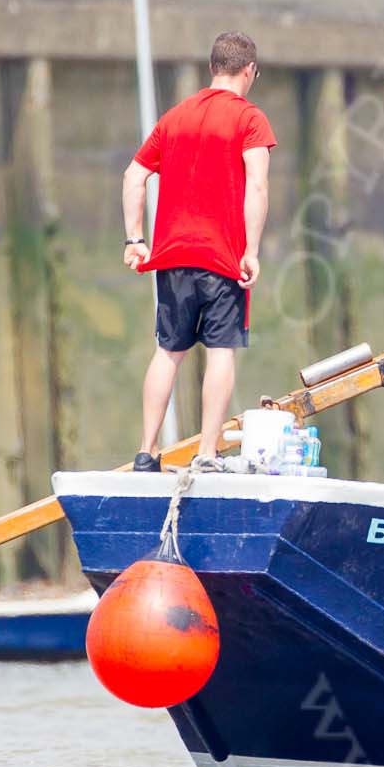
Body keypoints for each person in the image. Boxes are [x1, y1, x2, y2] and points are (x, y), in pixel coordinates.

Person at [121, 31, 275, 472]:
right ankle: (207, 454)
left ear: (212, 69)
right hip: (222, 258)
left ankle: (145, 452)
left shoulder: (175, 117)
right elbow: (258, 186)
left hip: (170, 259)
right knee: (221, 351)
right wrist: (252, 250)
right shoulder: (250, 120)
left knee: (168, 351)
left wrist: (135, 240)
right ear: (249, 71)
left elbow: (134, 176)